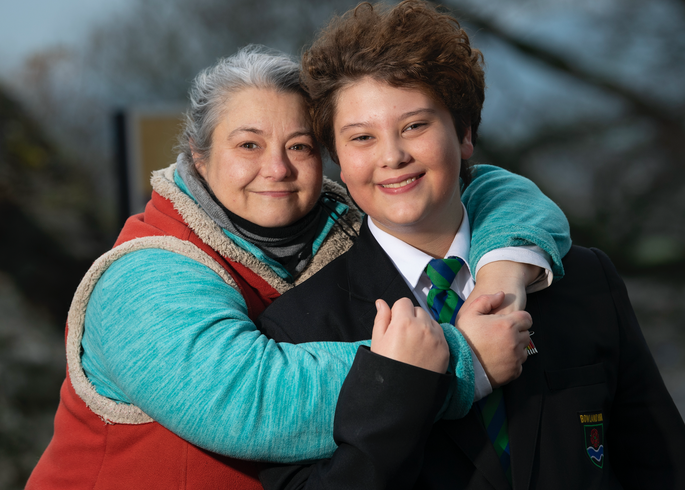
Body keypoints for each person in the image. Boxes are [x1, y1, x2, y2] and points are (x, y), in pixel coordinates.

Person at [27, 45, 572, 489]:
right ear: (198, 156)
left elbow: (489, 186)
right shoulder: (143, 275)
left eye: (300, 145)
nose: (277, 169)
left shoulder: (337, 223)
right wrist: (463, 359)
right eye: (249, 144)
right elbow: (252, 401)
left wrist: (504, 276)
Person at [256, 1, 685, 489]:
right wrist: (404, 394)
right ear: (338, 162)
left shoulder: (585, 281)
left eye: (415, 125)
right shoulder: (299, 331)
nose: (393, 156)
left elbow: (663, 466)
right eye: (361, 137)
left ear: (465, 134)